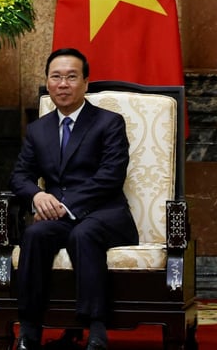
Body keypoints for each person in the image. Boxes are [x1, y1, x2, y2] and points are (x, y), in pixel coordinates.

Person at [9, 48, 138, 350]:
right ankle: (29, 328)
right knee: (35, 233)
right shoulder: (38, 129)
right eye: (56, 77)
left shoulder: (108, 122)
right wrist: (38, 195)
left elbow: (110, 177)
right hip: (57, 218)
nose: (63, 84)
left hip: (105, 214)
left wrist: (64, 205)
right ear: (48, 82)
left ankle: (96, 328)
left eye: (71, 77)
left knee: (85, 233)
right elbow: (19, 176)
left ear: (85, 83)